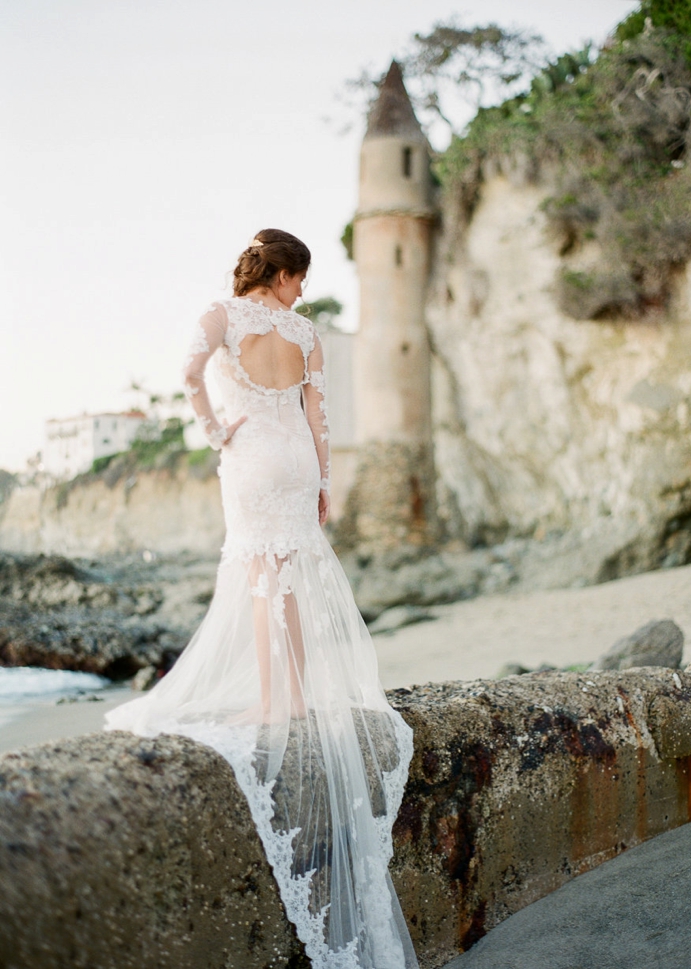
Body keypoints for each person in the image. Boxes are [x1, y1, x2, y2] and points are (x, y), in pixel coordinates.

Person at [105, 228, 419, 969]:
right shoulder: (303, 333)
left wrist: (217, 428)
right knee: (295, 575)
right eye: (298, 277)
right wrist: (324, 484)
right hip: (295, 458)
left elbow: (186, 370)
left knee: (259, 578)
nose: (302, 291)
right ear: (276, 272)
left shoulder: (223, 315)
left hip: (249, 454)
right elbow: (319, 414)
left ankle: (272, 698)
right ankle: (294, 694)